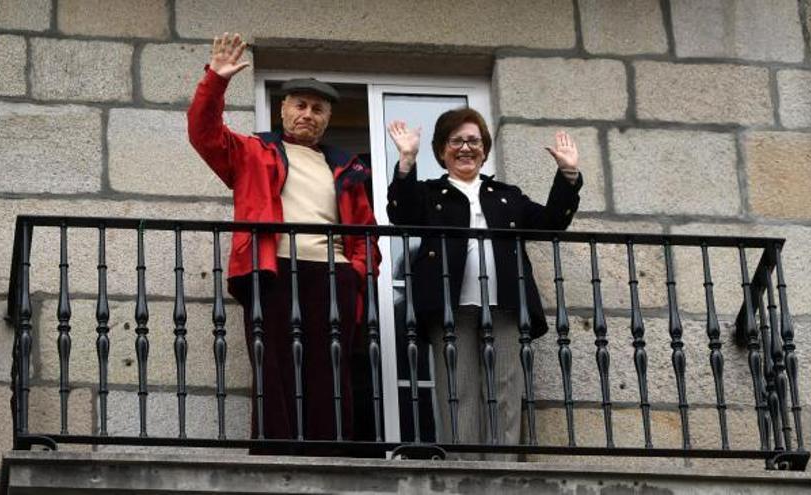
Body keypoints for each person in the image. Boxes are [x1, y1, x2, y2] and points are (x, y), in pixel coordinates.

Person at [188, 32, 379, 444]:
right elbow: (204, 133)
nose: (307, 114)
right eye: (300, 105)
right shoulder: (254, 151)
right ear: (283, 109)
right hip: (273, 270)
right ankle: (278, 454)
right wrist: (216, 80)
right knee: (273, 368)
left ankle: (330, 458)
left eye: (317, 108)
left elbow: (365, 230)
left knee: (330, 370)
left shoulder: (346, 166)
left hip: (333, 274)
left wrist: (357, 272)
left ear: (327, 118)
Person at [386, 108, 581, 452]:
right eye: (456, 140)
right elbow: (402, 215)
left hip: (505, 307)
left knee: (507, 389)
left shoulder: (506, 194)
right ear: (442, 150)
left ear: (485, 149)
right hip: (451, 309)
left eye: (473, 141)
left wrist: (567, 174)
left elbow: (551, 222)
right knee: (458, 392)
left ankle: (502, 470)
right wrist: (406, 162)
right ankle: (464, 468)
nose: (465, 148)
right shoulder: (431, 194)